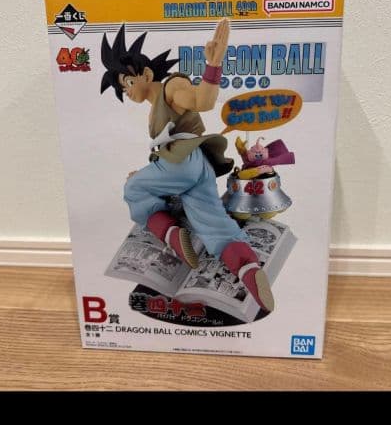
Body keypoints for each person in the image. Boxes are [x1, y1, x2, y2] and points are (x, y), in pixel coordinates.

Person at [100, 18, 274, 312]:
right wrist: (150, 172)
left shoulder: (171, 87)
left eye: (128, 82)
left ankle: (171, 234)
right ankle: (248, 268)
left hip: (184, 162)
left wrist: (213, 65)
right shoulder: (157, 104)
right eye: (122, 88)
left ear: (145, 73)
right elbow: (168, 147)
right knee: (214, 225)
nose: (127, 91)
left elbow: (202, 101)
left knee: (133, 190)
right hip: (197, 167)